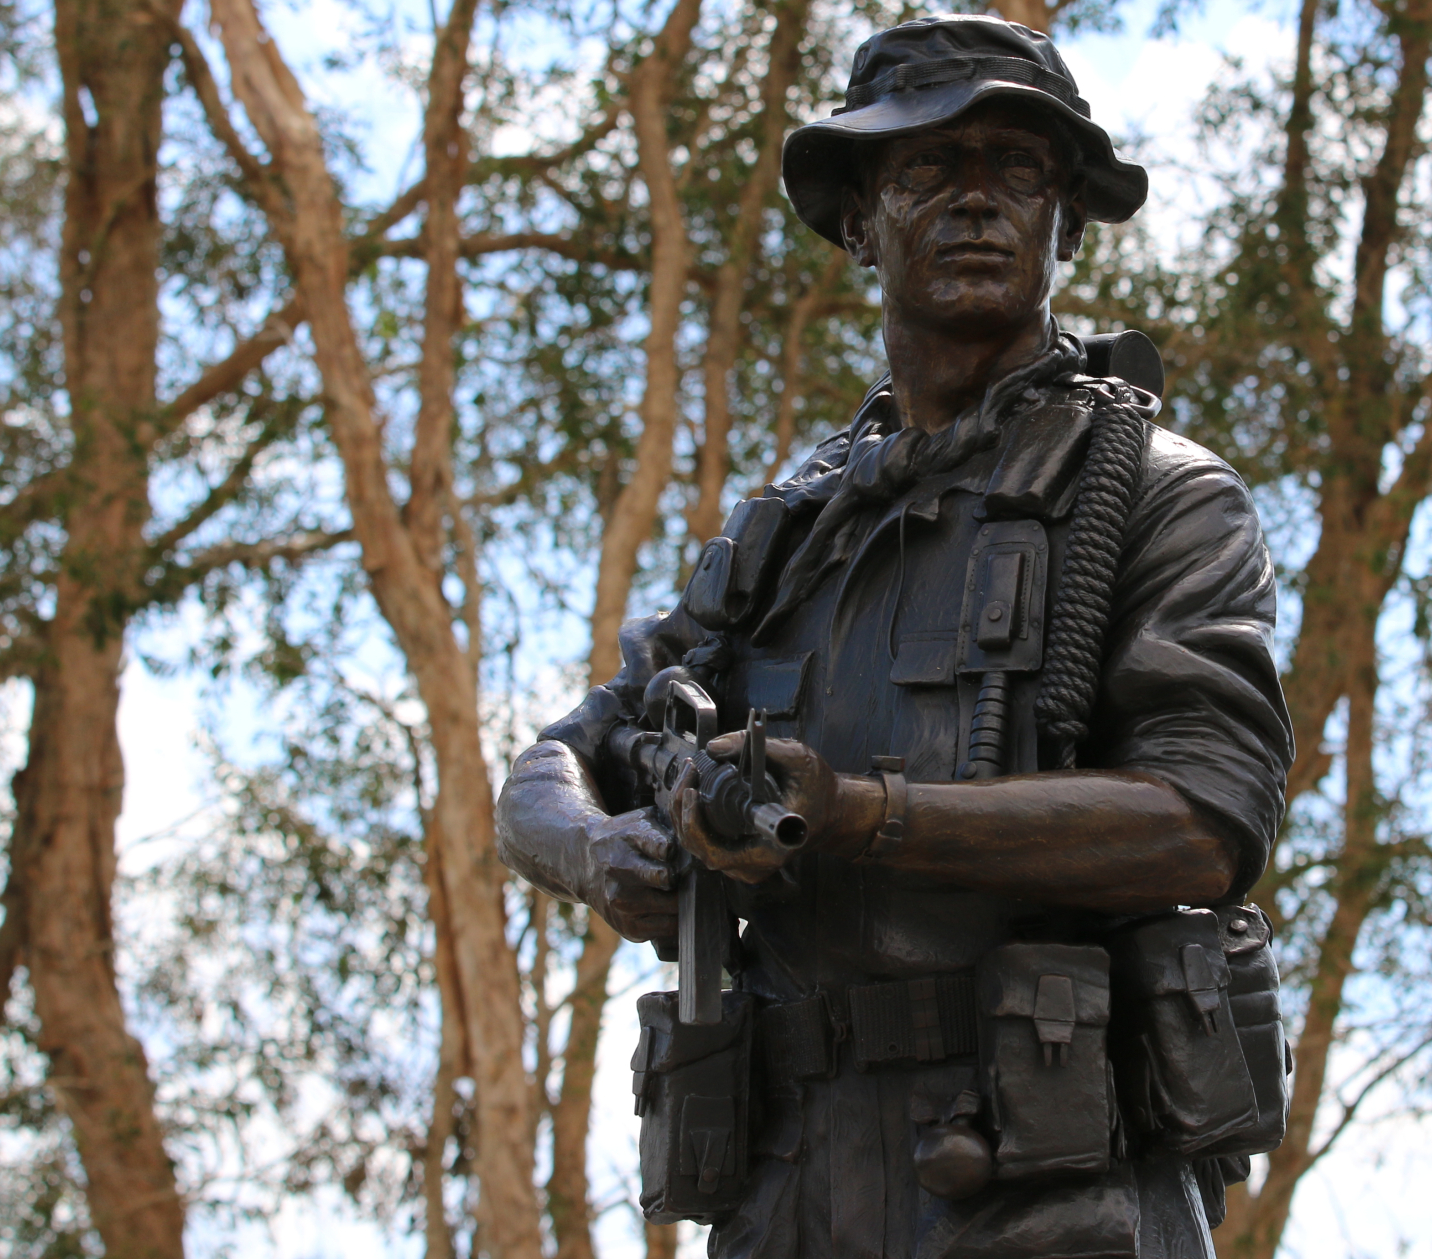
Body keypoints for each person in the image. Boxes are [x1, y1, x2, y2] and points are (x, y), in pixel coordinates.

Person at [495, 15, 1295, 1257]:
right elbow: (559, 757)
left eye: (1017, 170)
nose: (976, 202)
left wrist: (863, 813)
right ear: (860, 221)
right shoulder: (784, 536)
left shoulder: (1155, 492)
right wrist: (599, 849)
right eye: (927, 169)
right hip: (785, 1181)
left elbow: (1204, 822)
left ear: (1063, 222)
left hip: (1046, 1180)